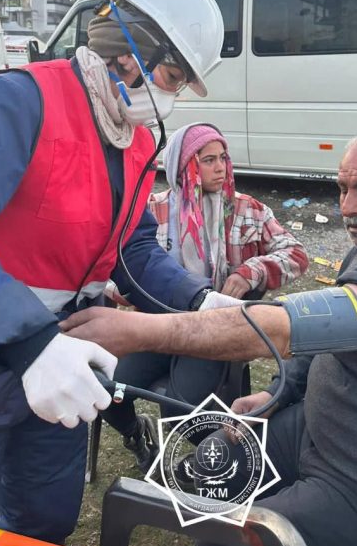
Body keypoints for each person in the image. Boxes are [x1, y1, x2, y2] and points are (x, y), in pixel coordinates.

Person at [0, 0, 231, 546]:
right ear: (131, 53)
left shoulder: (134, 140)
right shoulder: (19, 100)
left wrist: (202, 301)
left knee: (46, 518)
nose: (173, 98)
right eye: (172, 77)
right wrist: (29, 343)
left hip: (66, 358)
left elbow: (132, 248)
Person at [62, 129, 357, 546]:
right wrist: (275, 392)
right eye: (343, 189)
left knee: (227, 543)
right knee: (214, 464)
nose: (347, 207)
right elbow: (324, 342)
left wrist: (136, 330)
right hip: (318, 431)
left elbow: (283, 329)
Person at [101, 122, 308, 471]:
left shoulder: (247, 210)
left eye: (223, 158)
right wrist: (125, 292)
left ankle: (225, 458)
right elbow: (120, 268)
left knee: (180, 409)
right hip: (156, 327)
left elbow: (296, 253)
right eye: (208, 160)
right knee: (109, 388)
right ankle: (137, 435)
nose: (220, 167)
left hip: (214, 330)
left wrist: (249, 272)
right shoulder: (154, 210)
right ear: (183, 167)